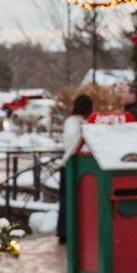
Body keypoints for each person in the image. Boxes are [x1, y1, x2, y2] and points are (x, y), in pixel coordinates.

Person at [57, 92, 92, 244]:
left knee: (66, 198)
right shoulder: (77, 122)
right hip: (71, 163)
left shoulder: (72, 121)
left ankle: (65, 230)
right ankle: (65, 231)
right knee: (67, 198)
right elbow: (73, 143)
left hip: (70, 164)